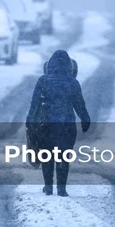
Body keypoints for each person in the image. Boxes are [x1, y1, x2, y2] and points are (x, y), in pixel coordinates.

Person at [26, 50, 90, 197]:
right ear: (69, 66)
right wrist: (85, 120)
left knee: (47, 155)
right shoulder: (73, 83)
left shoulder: (43, 81)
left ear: (50, 65)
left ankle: (48, 187)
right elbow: (80, 105)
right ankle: (61, 188)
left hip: (46, 125)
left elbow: (34, 103)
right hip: (66, 126)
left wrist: (30, 120)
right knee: (63, 155)